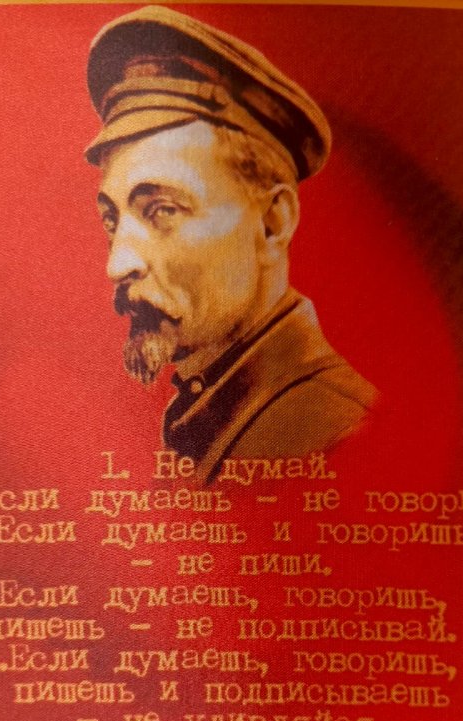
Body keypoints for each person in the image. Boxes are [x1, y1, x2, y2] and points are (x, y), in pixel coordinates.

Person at [86, 5, 377, 482]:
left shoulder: (337, 429)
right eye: (112, 220)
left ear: (272, 223)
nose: (117, 264)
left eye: (161, 210)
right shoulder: (204, 405)